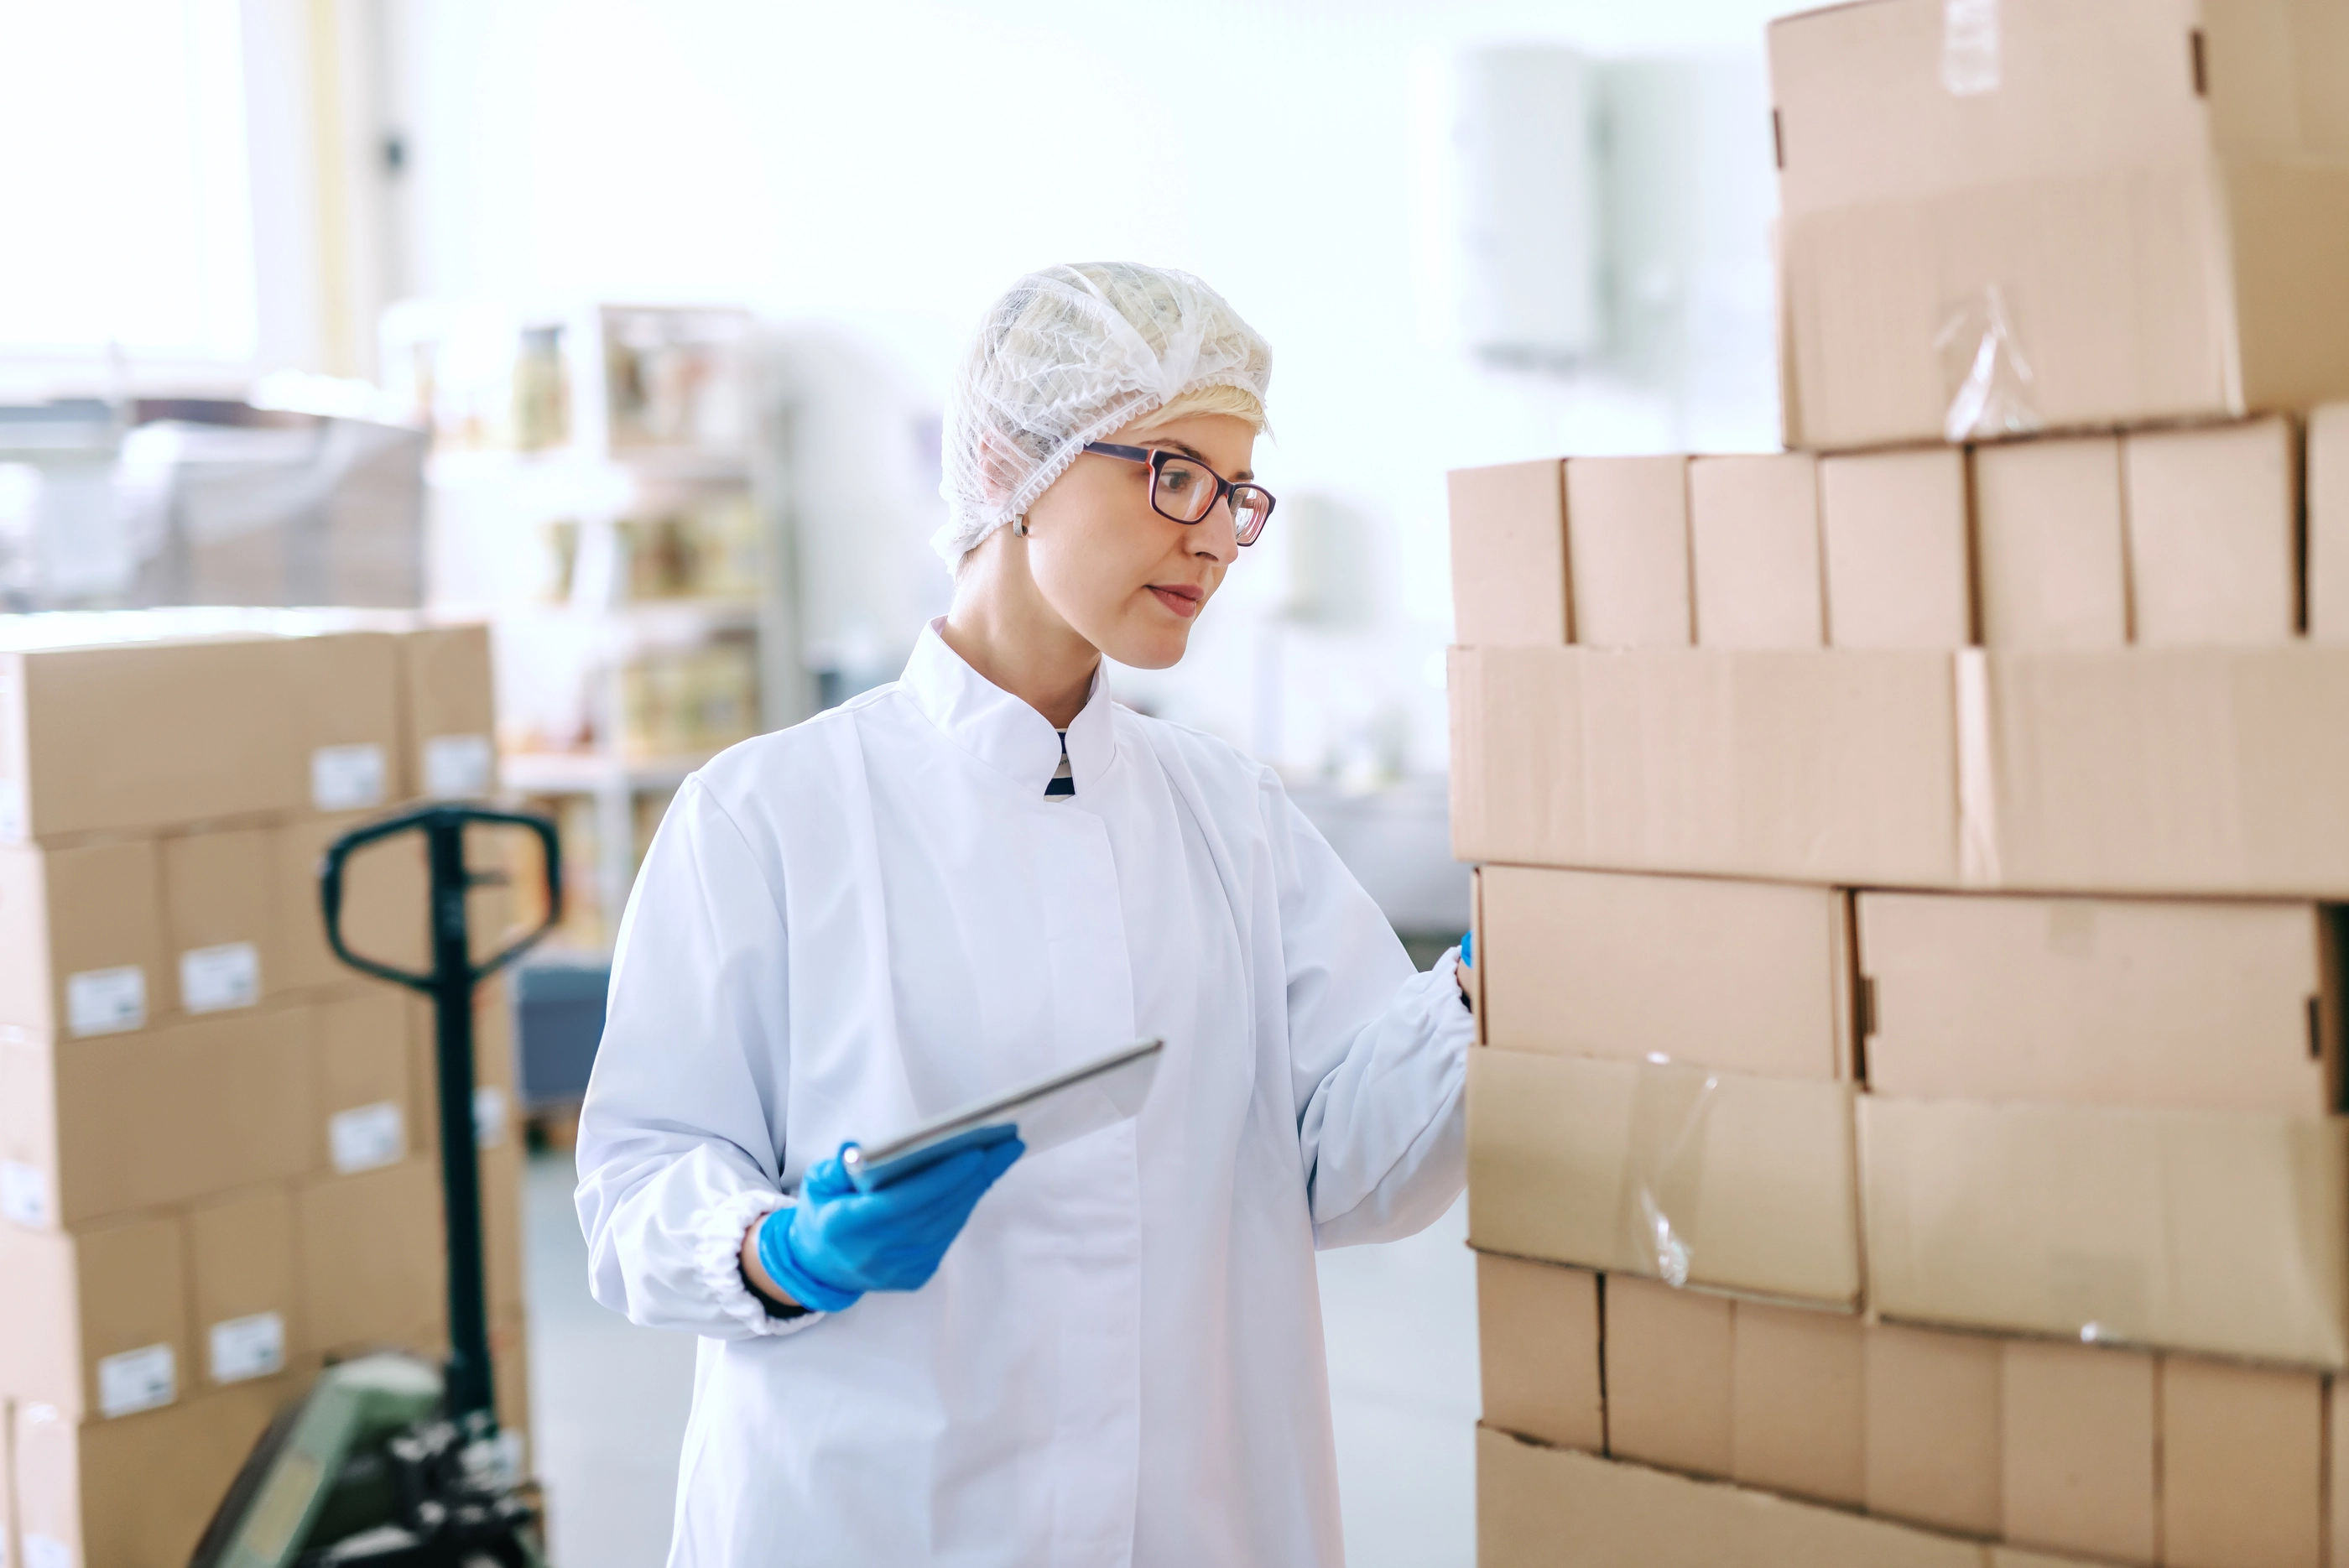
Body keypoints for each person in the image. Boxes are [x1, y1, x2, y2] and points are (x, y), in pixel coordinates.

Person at [575, 261, 1474, 1566]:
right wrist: (779, 1250)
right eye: (1173, 473)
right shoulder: (766, 816)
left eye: (1238, 494)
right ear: (1011, 457)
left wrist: (1472, 998)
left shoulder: (1229, 815)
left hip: (1188, 1518)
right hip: (870, 1517)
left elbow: (1340, 1171)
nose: (1216, 535)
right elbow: (639, 1180)